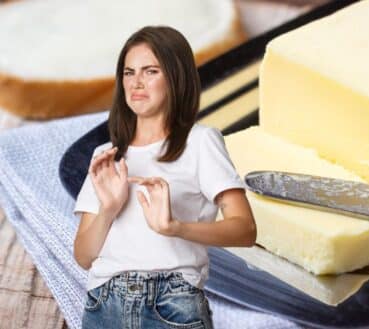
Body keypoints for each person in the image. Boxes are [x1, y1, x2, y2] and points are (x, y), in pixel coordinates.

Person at [72, 25, 256, 329]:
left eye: (150, 71)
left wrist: (175, 228)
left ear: (175, 77)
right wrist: (108, 209)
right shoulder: (106, 155)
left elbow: (245, 229)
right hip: (104, 304)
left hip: (172, 304)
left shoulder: (200, 142)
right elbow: (83, 256)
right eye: (129, 72)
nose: (136, 83)